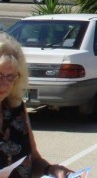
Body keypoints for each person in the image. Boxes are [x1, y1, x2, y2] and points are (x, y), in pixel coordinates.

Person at [0, 32, 74, 177]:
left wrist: (51, 170)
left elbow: (33, 159)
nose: (4, 85)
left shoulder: (16, 107)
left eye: (11, 77)